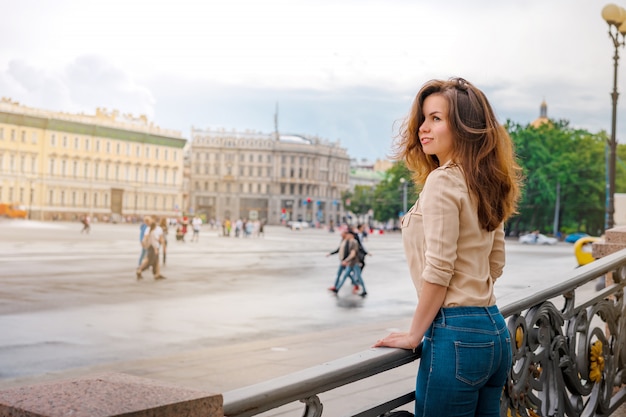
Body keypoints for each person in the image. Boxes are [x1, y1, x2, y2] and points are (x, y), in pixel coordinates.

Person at [374, 78, 522, 417]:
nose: (423, 128)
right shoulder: (485, 181)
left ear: (464, 127)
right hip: (495, 331)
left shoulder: (442, 181)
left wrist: (415, 334)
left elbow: (439, 270)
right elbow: (495, 263)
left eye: (436, 119)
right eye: (424, 118)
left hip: (455, 334)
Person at [332, 230, 368, 297]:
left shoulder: (354, 242)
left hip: (355, 263)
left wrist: (346, 260)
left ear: (351, 235)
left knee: (358, 277)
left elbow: (353, 254)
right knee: (345, 275)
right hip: (350, 263)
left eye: (348, 235)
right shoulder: (348, 242)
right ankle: (337, 289)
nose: (347, 236)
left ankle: (364, 290)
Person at [326, 229, 359, 294]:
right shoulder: (343, 241)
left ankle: (336, 288)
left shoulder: (348, 241)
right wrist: (331, 253)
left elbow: (348, 252)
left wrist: (346, 260)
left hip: (345, 261)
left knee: (344, 275)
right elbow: (339, 249)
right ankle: (355, 285)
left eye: (342, 233)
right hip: (343, 260)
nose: (341, 234)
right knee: (345, 274)